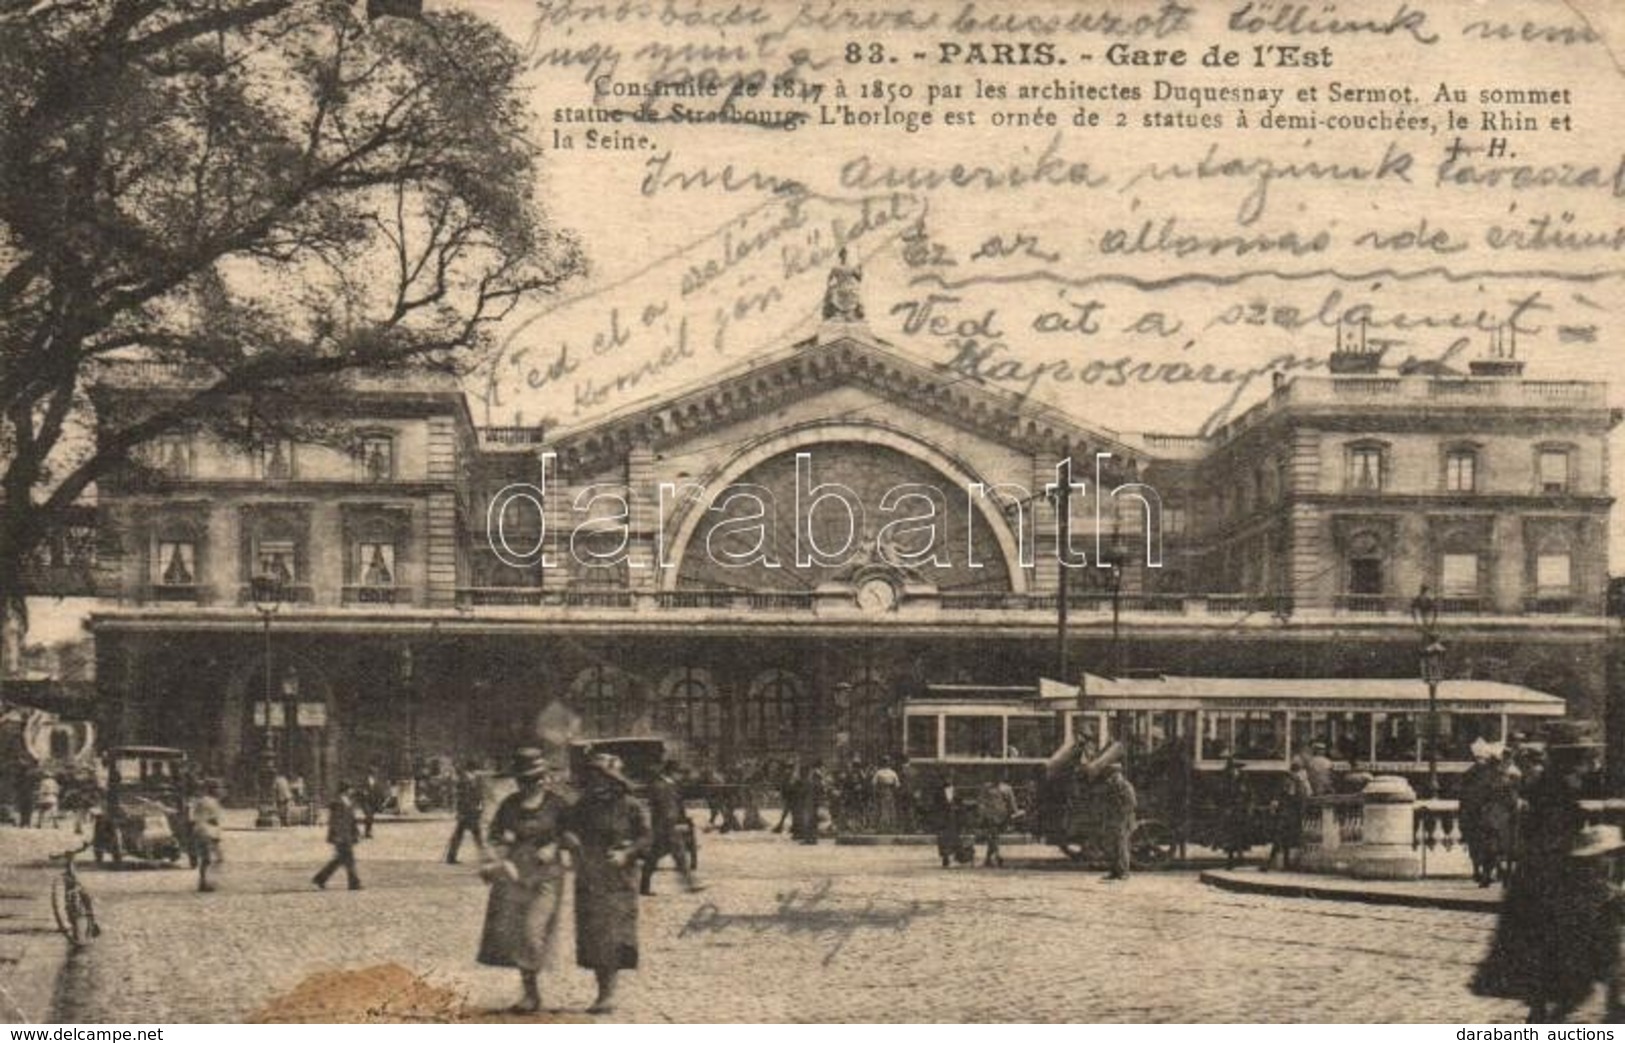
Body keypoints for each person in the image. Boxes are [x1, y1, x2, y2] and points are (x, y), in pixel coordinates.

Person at [1472, 738, 1612, 1022]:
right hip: (1555, 881)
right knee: (1568, 946)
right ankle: (1557, 1012)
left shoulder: (1547, 786)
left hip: (1537, 881)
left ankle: (1544, 1010)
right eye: (1581, 760)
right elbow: (1554, 836)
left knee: (1542, 949)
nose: (1586, 766)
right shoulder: (1558, 790)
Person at [476, 750, 568, 1014]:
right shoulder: (510, 805)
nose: (531, 783)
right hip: (516, 874)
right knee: (517, 934)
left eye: (536, 778)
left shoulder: (557, 804)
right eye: (525, 779)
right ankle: (531, 993)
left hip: (546, 875)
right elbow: (493, 836)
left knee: (532, 930)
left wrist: (555, 844)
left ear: (544, 777)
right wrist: (499, 856)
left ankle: (534, 982)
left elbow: (574, 832)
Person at [560, 753, 650, 1015]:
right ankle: (602, 992)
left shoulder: (631, 805)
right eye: (592, 776)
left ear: (614, 780)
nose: (595, 781)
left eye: (601, 776)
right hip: (589, 875)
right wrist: (570, 838)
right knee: (593, 935)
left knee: (613, 934)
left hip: (619, 878)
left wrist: (627, 853)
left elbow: (646, 838)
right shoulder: (583, 805)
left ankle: (608, 994)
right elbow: (565, 827)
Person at [640, 760, 700, 896]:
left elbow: (677, 806)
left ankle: (690, 884)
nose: (682, 776)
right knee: (666, 855)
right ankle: (690, 885)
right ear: (673, 772)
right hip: (665, 826)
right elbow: (666, 809)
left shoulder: (669, 785)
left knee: (663, 856)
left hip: (668, 826)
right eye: (680, 773)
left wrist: (681, 820)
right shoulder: (660, 786)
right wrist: (676, 823)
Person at [1262, 759, 1311, 872]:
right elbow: (1301, 795)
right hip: (1290, 813)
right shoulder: (1295, 781)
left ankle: (1274, 863)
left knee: (1281, 838)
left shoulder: (1289, 781)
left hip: (1285, 813)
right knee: (1285, 839)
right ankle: (1281, 863)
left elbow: (1281, 797)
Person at [314, 782, 363, 890]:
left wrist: (355, 833)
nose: (352, 791)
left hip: (347, 834)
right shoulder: (338, 803)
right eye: (350, 789)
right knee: (349, 859)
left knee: (340, 860)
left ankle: (320, 878)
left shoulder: (347, 801)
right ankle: (354, 883)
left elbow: (351, 820)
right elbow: (335, 821)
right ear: (346, 790)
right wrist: (337, 835)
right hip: (341, 835)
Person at [1101, 763, 1137, 881]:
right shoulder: (1111, 786)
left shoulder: (1126, 786)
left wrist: (1121, 815)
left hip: (1124, 820)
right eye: (1111, 774)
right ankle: (1114, 871)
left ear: (1119, 774)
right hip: (1113, 820)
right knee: (1112, 847)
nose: (1113, 776)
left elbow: (1132, 804)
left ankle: (1124, 872)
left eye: (1115, 774)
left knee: (1122, 847)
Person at [445, 760, 485, 865]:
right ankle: (485, 856)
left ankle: (451, 856)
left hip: (470, 810)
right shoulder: (465, 780)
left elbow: (475, 795)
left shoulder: (470, 779)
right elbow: (463, 797)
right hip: (468, 811)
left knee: (462, 834)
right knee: (477, 835)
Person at [1217, 755, 1253, 870]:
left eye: (1237, 768)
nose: (1235, 771)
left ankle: (1239, 856)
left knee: (1240, 835)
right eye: (1234, 768)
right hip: (1231, 811)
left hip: (1241, 811)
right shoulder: (1227, 781)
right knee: (1231, 837)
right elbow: (1223, 795)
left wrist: (1248, 807)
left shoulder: (1244, 780)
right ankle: (1230, 860)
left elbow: (1250, 795)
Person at [976, 775, 1018, 868]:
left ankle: (991, 858)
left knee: (993, 836)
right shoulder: (986, 787)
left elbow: (1012, 801)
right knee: (993, 835)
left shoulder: (1007, 788)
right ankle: (996, 856)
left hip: (1002, 815)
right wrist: (982, 812)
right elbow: (981, 800)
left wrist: (1015, 813)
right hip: (990, 814)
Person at [191, 779, 225, 892]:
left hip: (201, 831)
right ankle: (208, 882)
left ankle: (204, 882)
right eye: (219, 788)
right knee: (215, 858)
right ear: (213, 790)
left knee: (206, 859)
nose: (221, 791)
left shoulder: (203, 801)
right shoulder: (210, 802)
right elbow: (212, 819)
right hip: (208, 832)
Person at [933, 773, 967, 868]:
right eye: (946, 778)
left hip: (954, 817)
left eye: (950, 778)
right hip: (943, 817)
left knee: (954, 837)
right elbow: (935, 805)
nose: (948, 780)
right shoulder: (938, 791)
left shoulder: (957, 791)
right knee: (943, 838)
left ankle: (955, 856)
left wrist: (958, 810)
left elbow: (961, 804)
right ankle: (945, 857)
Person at [872, 761, 901, 833]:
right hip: (883, 791)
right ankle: (883, 827)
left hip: (888, 791)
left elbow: (873, 783)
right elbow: (897, 785)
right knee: (883, 808)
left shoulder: (882, 772)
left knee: (888, 808)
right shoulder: (882, 772)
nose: (886, 764)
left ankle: (889, 827)